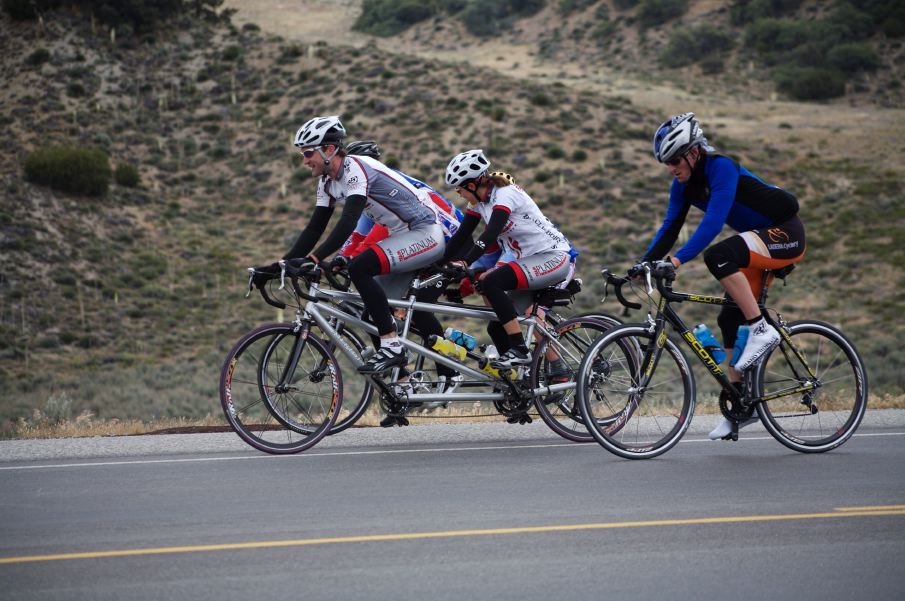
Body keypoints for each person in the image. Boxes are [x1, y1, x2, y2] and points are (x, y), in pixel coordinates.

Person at [638, 112, 806, 440]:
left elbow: (713, 224)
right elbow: (671, 226)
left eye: (675, 160)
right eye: (667, 163)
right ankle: (741, 406)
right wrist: (643, 264)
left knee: (718, 255)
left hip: (785, 232)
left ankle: (762, 328)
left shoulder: (721, 167)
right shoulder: (682, 186)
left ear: (693, 152)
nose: (672, 168)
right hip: (757, 242)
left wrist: (677, 260)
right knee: (729, 319)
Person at [259, 116, 445, 375]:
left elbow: (348, 222)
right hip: (403, 235)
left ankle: (393, 347)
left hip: (426, 233)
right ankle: (401, 388)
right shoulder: (327, 182)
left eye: (308, 153)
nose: (304, 160)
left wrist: (314, 259)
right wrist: (276, 267)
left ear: (329, 150)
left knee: (360, 267)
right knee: (372, 314)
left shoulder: (356, 168)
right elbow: (314, 228)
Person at [441, 149, 573, 369]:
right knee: (496, 325)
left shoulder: (505, 194)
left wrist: (465, 263)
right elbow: (461, 236)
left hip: (553, 257)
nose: (459, 194)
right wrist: (437, 266)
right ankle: (537, 375)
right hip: (529, 261)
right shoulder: (480, 203)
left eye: (460, 189)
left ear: (473, 185)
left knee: (491, 282)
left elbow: (490, 233)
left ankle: (520, 350)